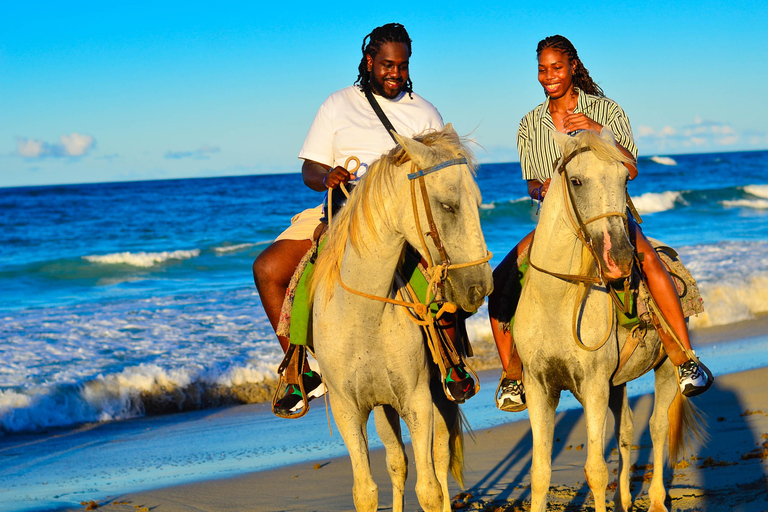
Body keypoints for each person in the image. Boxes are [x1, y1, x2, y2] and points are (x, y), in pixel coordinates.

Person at [253, 23, 475, 416]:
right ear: (369, 62)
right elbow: (310, 169)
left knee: (448, 268)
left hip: (402, 216)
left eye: (402, 66)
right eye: (387, 64)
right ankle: (299, 370)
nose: (395, 73)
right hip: (338, 209)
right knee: (268, 268)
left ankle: (451, 361)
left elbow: (443, 173)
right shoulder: (337, 104)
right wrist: (327, 177)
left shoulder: (424, 111)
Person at [488, 35, 714, 413]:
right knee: (502, 283)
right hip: (557, 223)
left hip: (609, 215)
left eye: (556, 68)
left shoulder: (606, 111)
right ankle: (513, 376)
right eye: (542, 70)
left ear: (573, 66)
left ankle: (684, 358)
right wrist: (539, 187)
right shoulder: (529, 123)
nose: (549, 77)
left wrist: (597, 130)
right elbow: (530, 180)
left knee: (650, 262)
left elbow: (631, 167)